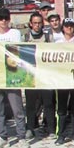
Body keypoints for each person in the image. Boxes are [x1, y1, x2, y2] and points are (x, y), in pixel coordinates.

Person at [0, 8, 28, 148]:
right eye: (1, 18)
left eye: (6, 18)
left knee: (17, 108)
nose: (4, 21)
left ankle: (21, 136)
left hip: (12, 75)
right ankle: (2, 137)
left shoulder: (15, 33)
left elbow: (15, 50)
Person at [22, 12, 55, 140]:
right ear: (31, 24)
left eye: (39, 23)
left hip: (45, 75)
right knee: (31, 104)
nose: (37, 25)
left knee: (48, 103)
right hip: (30, 75)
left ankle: (51, 129)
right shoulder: (25, 37)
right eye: (35, 23)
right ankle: (30, 128)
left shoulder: (48, 36)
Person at [54, 18, 74, 145]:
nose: (69, 28)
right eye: (66, 26)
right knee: (61, 108)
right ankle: (60, 134)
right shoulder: (57, 42)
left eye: (71, 25)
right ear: (63, 27)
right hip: (62, 80)